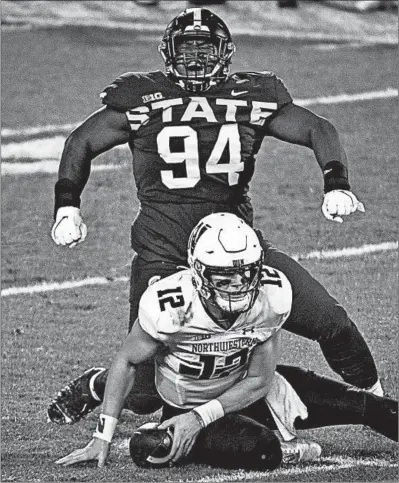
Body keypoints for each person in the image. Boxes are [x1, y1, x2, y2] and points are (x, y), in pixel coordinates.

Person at [48, 7, 383, 426]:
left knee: (329, 320)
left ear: (225, 53)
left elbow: (318, 128)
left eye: (205, 50)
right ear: (168, 53)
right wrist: (67, 205)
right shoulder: (141, 98)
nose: (195, 59)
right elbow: (81, 141)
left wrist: (336, 181)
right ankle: (100, 384)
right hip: (164, 253)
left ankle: (379, 401)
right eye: (186, 49)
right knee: (147, 393)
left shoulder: (252, 96)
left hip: (239, 254)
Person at [54, 214, 398, 470]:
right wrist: (103, 434)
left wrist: (199, 419)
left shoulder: (272, 296)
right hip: (189, 404)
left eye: (245, 272)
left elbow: (261, 379)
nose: (237, 284)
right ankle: (285, 446)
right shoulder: (170, 306)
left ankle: (270, 430)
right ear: (199, 273)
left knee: (373, 408)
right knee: (263, 452)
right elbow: (127, 361)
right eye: (224, 275)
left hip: (251, 394)